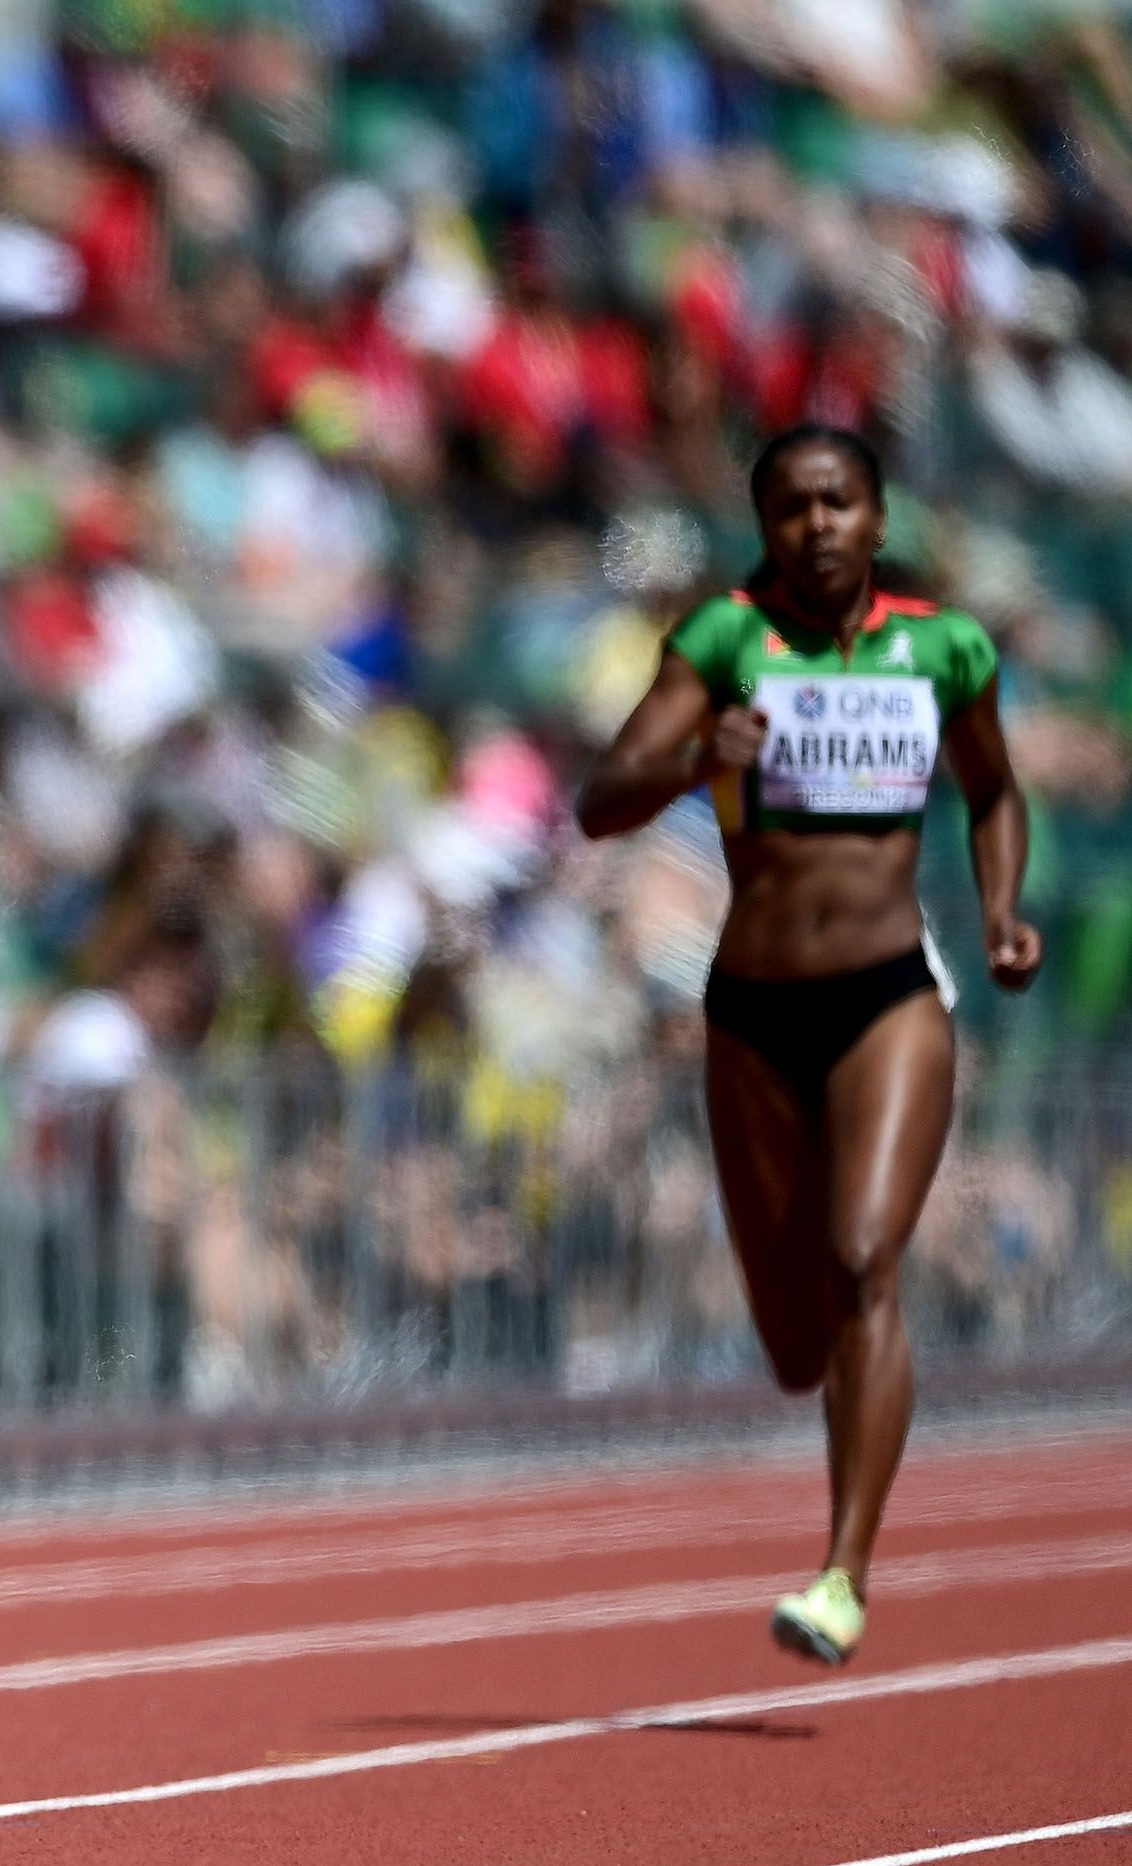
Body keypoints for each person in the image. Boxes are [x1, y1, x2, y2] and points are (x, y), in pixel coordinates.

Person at [578, 424, 1040, 1666]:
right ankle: (822, 1427)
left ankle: (842, 1572)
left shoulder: (943, 649)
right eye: (790, 508)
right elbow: (597, 797)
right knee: (794, 1339)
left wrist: (999, 910)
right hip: (753, 1008)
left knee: (862, 1261)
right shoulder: (725, 640)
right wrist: (693, 760)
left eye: (838, 503)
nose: (817, 525)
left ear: (876, 520)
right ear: (765, 527)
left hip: (891, 991)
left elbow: (992, 790)